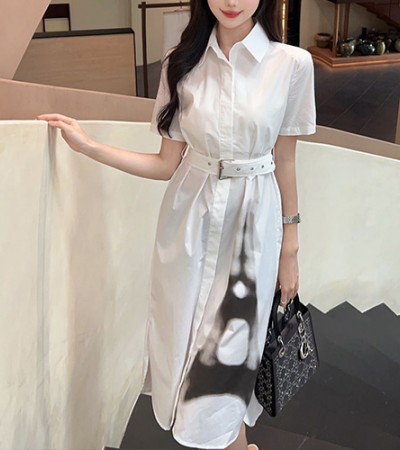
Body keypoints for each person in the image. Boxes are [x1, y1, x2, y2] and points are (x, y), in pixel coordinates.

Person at [38, 0, 316, 448]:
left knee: (226, 357)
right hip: (188, 223)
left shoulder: (292, 65)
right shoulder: (181, 63)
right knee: (184, 345)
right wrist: (90, 147)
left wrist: (291, 247)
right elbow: (167, 163)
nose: (230, 2)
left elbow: (285, 160)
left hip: (252, 231)